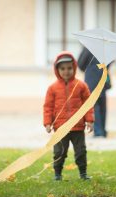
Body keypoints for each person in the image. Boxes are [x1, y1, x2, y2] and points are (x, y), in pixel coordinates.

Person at [43, 51, 94, 181]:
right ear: (57, 70)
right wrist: (48, 123)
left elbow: (88, 104)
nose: (66, 71)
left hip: (78, 127)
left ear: (74, 68)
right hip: (60, 128)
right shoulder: (52, 88)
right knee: (59, 152)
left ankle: (83, 173)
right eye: (62, 69)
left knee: (80, 151)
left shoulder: (81, 86)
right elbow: (48, 106)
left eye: (69, 68)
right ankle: (57, 174)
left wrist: (89, 120)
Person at [78, 47, 112, 137]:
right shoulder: (105, 49)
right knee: (102, 105)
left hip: (91, 81)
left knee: (94, 106)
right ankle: (103, 131)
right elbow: (110, 63)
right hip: (103, 79)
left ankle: (98, 132)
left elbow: (80, 65)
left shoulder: (88, 48)